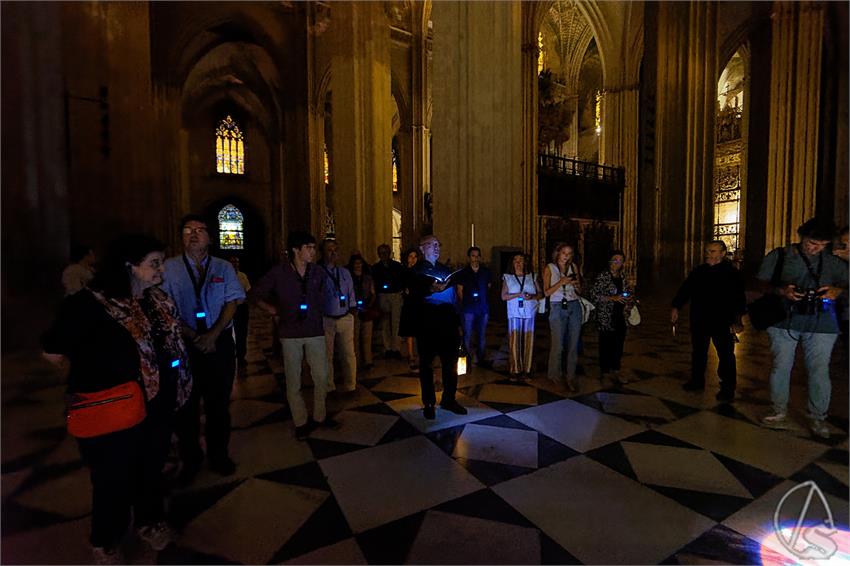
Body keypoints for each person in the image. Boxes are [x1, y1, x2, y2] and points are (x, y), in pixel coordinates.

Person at [42, 234, 192, 564]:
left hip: (155, 405)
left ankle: (149, 521)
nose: (161, 270)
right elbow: (52, 351)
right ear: (129, 267)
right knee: (113, 478)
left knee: (151, 468)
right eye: (154, 263)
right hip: (113, 408)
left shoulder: (154, 301)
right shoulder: (87, 305)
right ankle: (106, 540)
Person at [162, 214, 245, 482]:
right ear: (181, 237)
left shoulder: (223, 267)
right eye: (188, 230)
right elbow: (165, 307)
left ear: (210, 236)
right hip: (185, 344)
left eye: (200, 229)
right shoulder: (169, 268)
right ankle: (191, 458)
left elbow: (232, 302)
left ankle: (219, 455)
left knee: (218, 405)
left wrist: (213, 334)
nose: (194, 234)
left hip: (217, 343)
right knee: (185, 406)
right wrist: (193, 335)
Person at [757, 218, 848, 438]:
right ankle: (779, 411)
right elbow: (759, 284)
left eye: (822, 245)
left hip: (822, 322)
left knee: (819, 370)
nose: (816, 249)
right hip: (784, 321)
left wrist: (838, 291)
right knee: (781, 365)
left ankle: (818, 417)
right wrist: (782, 291)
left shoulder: (833, 262)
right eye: (812, 243)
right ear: (802, 237)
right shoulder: (780, 256)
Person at [252, 231, 338, 439]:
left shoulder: (317, 271)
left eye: (313, 248)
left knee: (322, 375)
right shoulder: (279, 272)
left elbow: (329, 291)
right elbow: (255, 293)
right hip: (290, 333)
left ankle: (320, 415)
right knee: (294, 380)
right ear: (295, 250)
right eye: (308, 248)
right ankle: (300, 421)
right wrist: (271, 309)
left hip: (315, 330)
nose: (313, 252)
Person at [670, 241, 746, 401]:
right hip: (700, 319)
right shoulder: (699, 271)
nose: (708, 254)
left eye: (712, 251)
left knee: (725, 355)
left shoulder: (732, 273)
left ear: (722, 253)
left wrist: (737, 320)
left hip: (722, 321)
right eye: (707, 251)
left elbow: (739, 298)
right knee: (698, 352)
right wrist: (676, 306)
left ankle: (727, 387)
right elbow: (686, 289)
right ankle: (697, 381)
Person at [411, 235, 468, 419]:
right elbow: (413, 295)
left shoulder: (445, 269)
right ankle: (429, 402)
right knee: (426, 364)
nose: (436, 248)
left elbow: (453, 296)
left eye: (438, 245)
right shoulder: (416, 271)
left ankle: (449, 399)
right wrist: (430, 290)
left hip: (447, 321)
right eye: (432, 245)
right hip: (426, 322)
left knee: (450, 363)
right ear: (422, 248)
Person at [590, 250, 636, 386]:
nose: (617, 263)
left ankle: (616, 369)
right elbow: (594, 295)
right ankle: (605, 371)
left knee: (619, 343)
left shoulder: (622, 277)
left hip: (620, 315)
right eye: (615, 260)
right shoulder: (603, 276)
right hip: (606, 315)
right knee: (606, 343)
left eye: (620, 261)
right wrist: (612, 298)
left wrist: (628, 298)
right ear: (610, 261)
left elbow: (628, 291)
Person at [542, 243, 583, 390]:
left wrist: (577, 285)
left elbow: (579, 290)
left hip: (574, 305)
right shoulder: (549, 268)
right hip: (557, 306)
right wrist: (561, 282)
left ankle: (570, 376)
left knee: (573, 344)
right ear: (558, 253)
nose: (566, 256)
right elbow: (546, 292)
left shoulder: (574, 267)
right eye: (564, 253)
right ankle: (554, 375)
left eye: (569, 253)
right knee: (558, 344)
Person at [319, 239, 358, 393]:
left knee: (349, 354)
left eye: (336, 250)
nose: (334, 253)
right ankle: (329, 386)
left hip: (345, 316)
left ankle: (351, 385)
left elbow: (351, 293)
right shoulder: (318, 272)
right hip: (326, 318)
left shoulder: (344, 272)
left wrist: (353, 310)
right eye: (330, 250)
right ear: (323, 253)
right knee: (326, 355)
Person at [501, 252, 541, 382]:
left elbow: (540, 293)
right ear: (512, 263)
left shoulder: (532, 276)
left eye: (521, 260)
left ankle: (527, 369)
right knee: (514, 341)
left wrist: (532, 296)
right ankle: (515, 369)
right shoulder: (507, 277)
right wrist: (518, 294)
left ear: (525, 263)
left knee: (529, 340)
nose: (518, 263)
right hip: (514, 312)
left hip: (529, 311)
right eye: (515, 260)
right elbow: (503, 296)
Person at [456, 246, 492, 368]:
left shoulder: (486, 272)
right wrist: (465, 303)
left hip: (483, 307)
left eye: (477, 256)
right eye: (473, 256)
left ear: (480, 257)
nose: (475, 258)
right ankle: (467, 359)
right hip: (468, 308)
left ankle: (481, 358)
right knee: (468, 334)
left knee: (482, 334)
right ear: (469, 257)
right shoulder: (463, 273)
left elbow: (489, 287)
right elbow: (459, 290)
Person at [372, 243, 405, 359]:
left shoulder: (397, 266)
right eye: (381, 253)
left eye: (385, 253)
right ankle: (388, 348)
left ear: (389, 253)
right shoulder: (375, 268)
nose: (383, 255)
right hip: (382, 295)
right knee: (385, 322)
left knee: (396, 322)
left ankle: (396, 348)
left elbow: (402, 279)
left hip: (395, 294)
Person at [348, 254, 376, 371]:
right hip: (354, 309)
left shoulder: (368, 277)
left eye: (360, 263)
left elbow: (373, 292)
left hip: (366, 307)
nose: (358, 266)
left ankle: (368, 360)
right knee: (355, 337)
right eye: (356, 263)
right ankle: (357, 361)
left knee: (367, 336)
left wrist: (369, 305)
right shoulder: (348, 277)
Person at [398, 247, 422, 371]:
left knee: (419, 331)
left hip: (418, 303)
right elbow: (400, 286)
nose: (412, 259)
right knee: (409, 332)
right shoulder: (404, 271)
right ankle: (411, 355)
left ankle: (419, 354)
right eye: (410, 257)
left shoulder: (420, 272)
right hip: (409, 304)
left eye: (415, 257)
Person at [228, 255, 251, 373]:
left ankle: (241, 355)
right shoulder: (225, 275)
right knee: (228, 333)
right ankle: (230, 355)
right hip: (228, 308)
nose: (235, 264)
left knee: (242, 333)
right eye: (232, 262)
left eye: (237, 262)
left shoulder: (242, 276)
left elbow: (248, 291)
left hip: (241, 308)